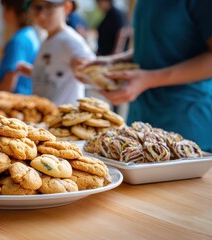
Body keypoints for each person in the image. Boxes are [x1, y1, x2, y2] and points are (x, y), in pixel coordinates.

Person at [79, 0, 212, 151]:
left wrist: (149, 79)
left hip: (188, 125)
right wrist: (114, 61)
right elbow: (155, 47)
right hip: (140, 124)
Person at [17, 0, 95, 105]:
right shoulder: (47, 39)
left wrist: (86, 70)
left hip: (65, 118)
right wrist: (33, 72)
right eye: (36, 8)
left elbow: (95, 73)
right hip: (47, 117)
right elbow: (56, 73)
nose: (41, 15)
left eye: (49, 7)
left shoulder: (70, 40)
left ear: (66, 7)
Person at [0, 0, 41, 95]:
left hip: (16, 100)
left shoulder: (19, 40)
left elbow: (10, 77)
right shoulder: (31, 34)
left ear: (11, 11)